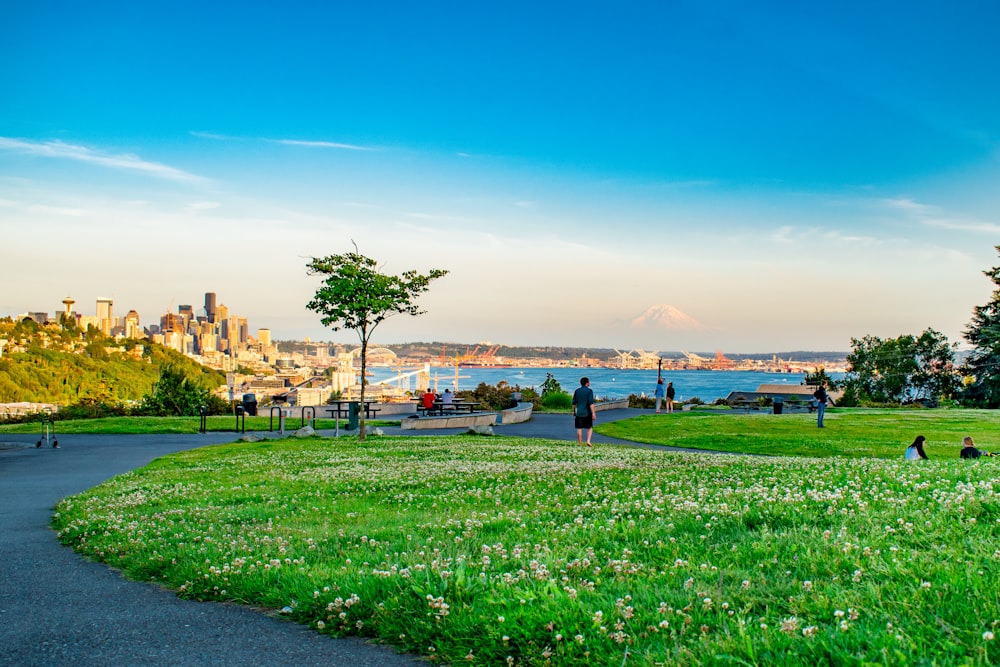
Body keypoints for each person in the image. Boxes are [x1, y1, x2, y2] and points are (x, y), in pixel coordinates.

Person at [572, 376, 596, 447]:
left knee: (579, 428)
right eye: (589, 382)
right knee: (590, 427)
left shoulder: (577, 391)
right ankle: (588, 441)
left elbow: (574, 403)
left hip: (579, 413)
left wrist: (574, 411)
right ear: (587, 383)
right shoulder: (589, 391)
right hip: (587, 413)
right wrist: (593, 413)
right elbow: (591, 403)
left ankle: (580, 444)